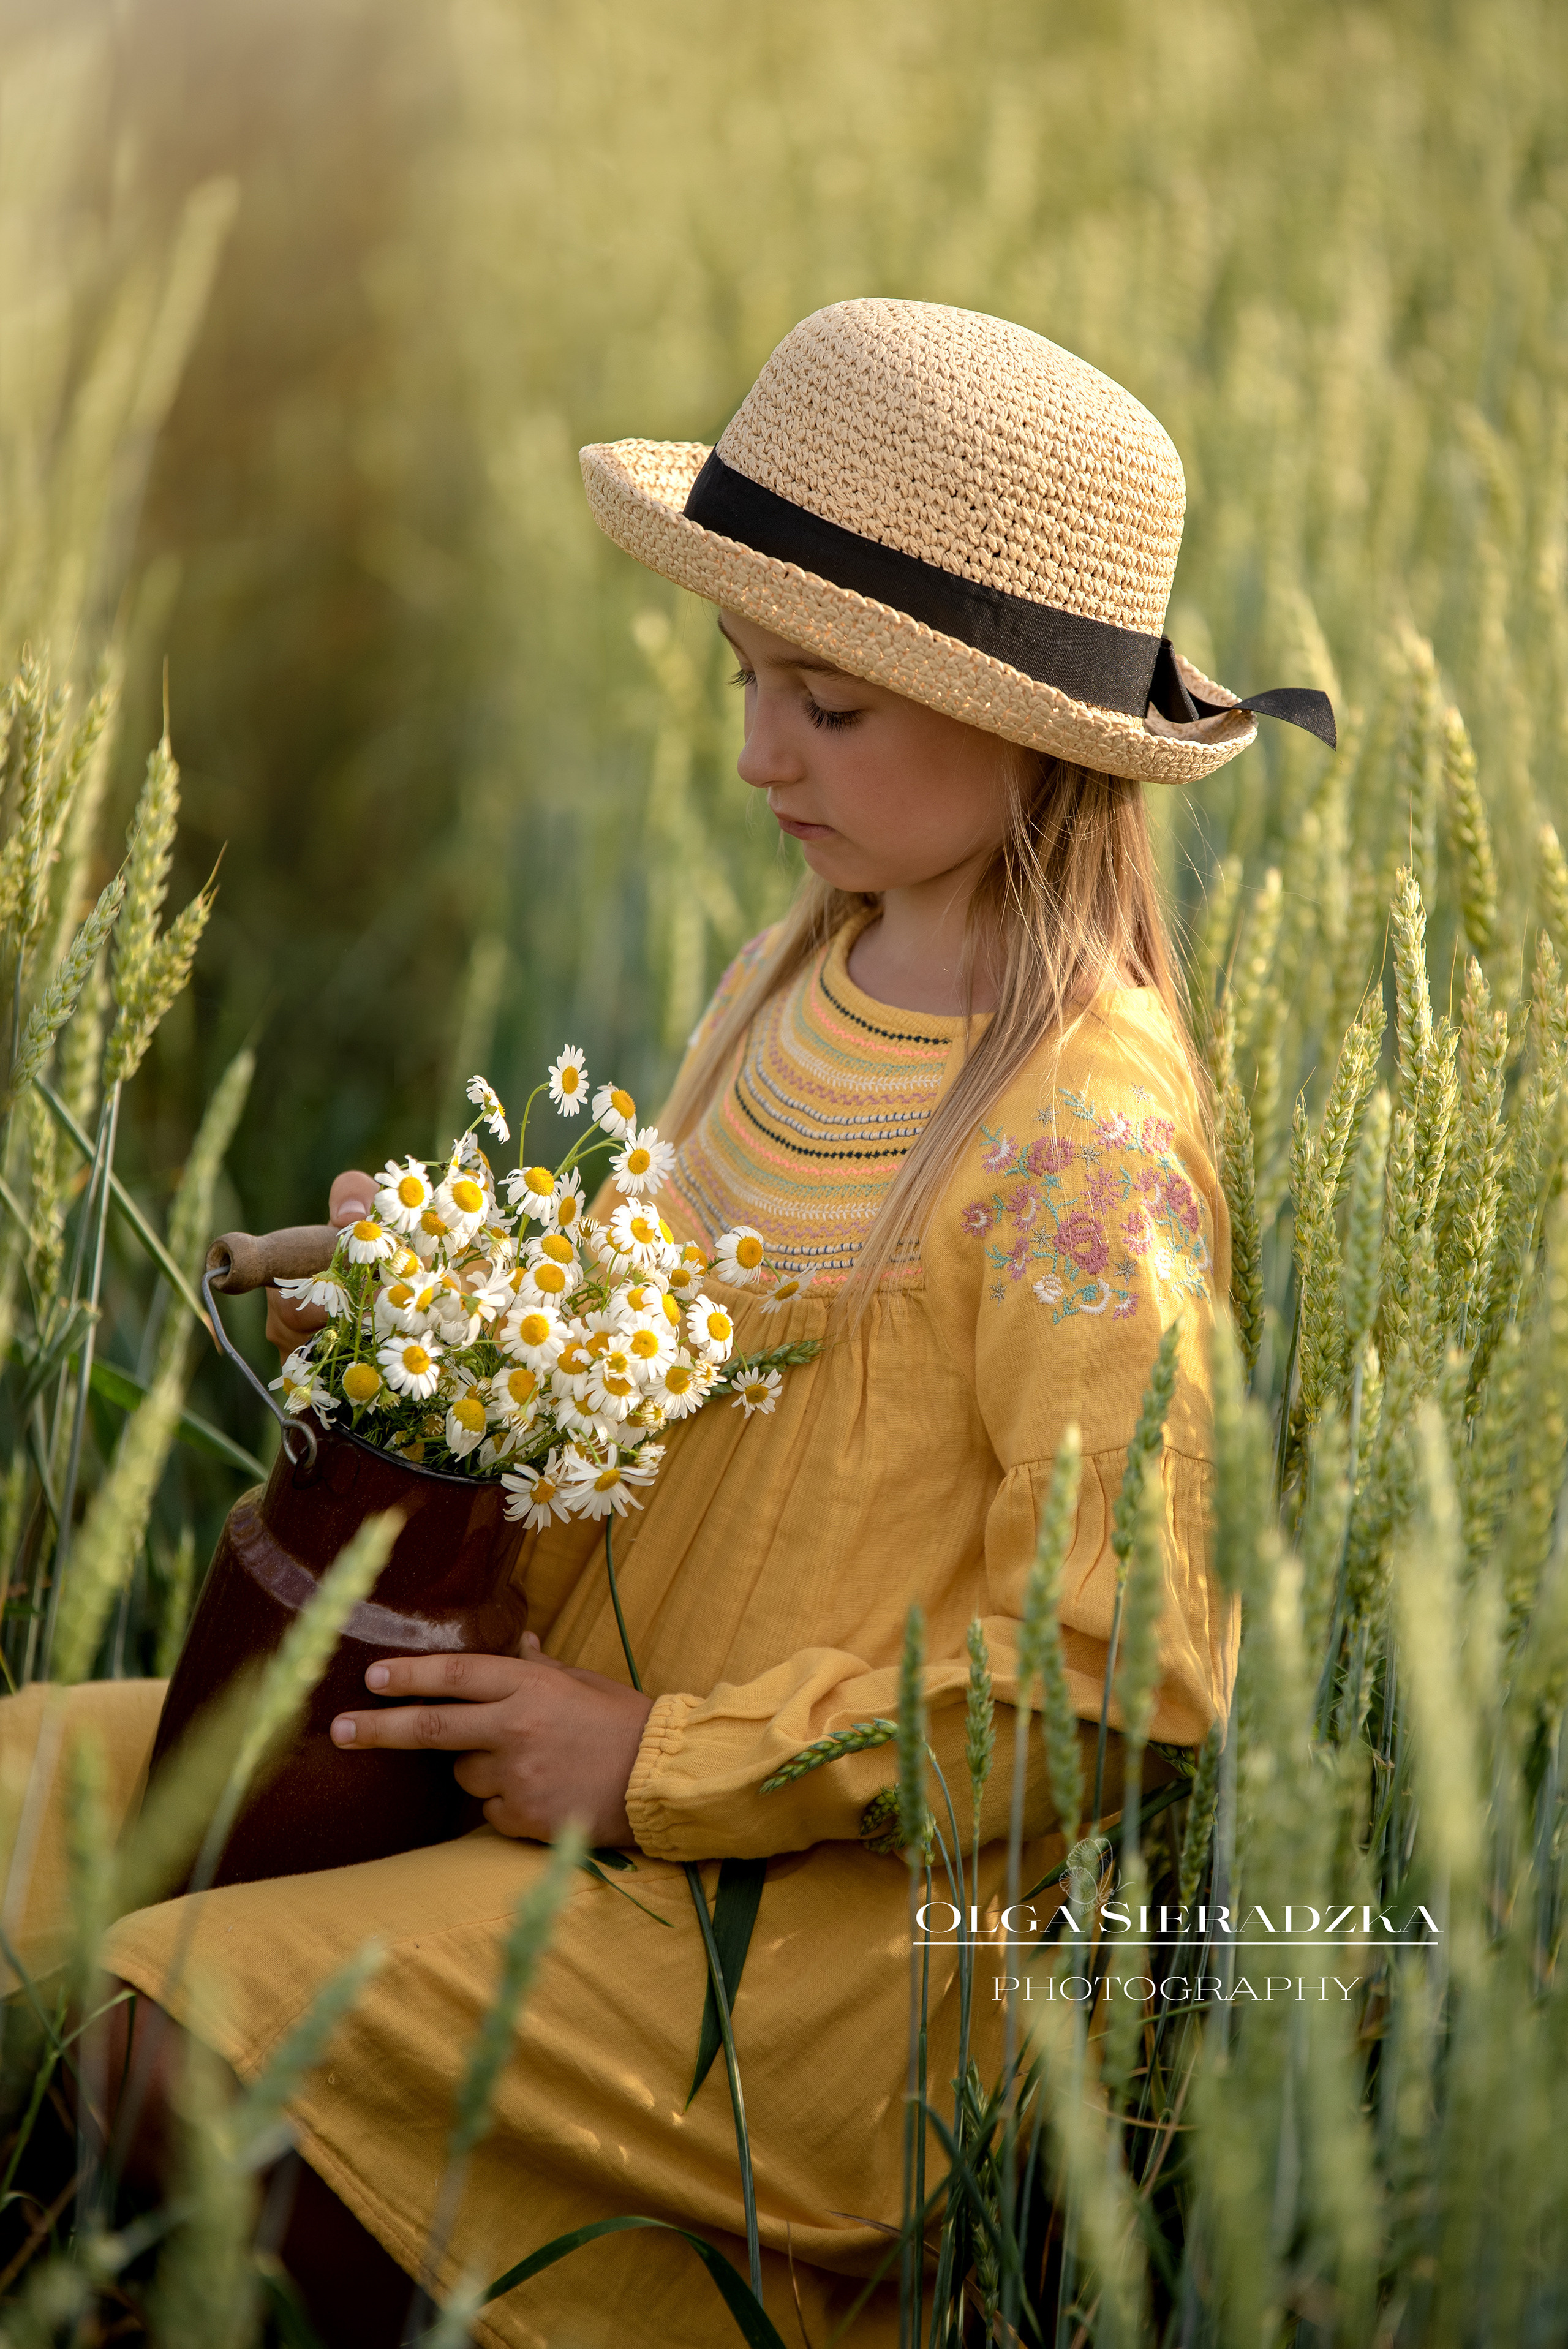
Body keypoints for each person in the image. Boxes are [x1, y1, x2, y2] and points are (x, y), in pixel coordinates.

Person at [0, 299, 1331, 2345]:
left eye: (828, 706)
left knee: (160, 2030)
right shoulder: (805, 961)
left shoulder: (1083, 1146)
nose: (751, 753)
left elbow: (1119, 1667)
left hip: (795, 1938)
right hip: (530, 1723)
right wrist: (460, 1282)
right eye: (748, 685)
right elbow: (678, 1319)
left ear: (1029, 731)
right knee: (25, 1806)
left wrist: (655, 1765)